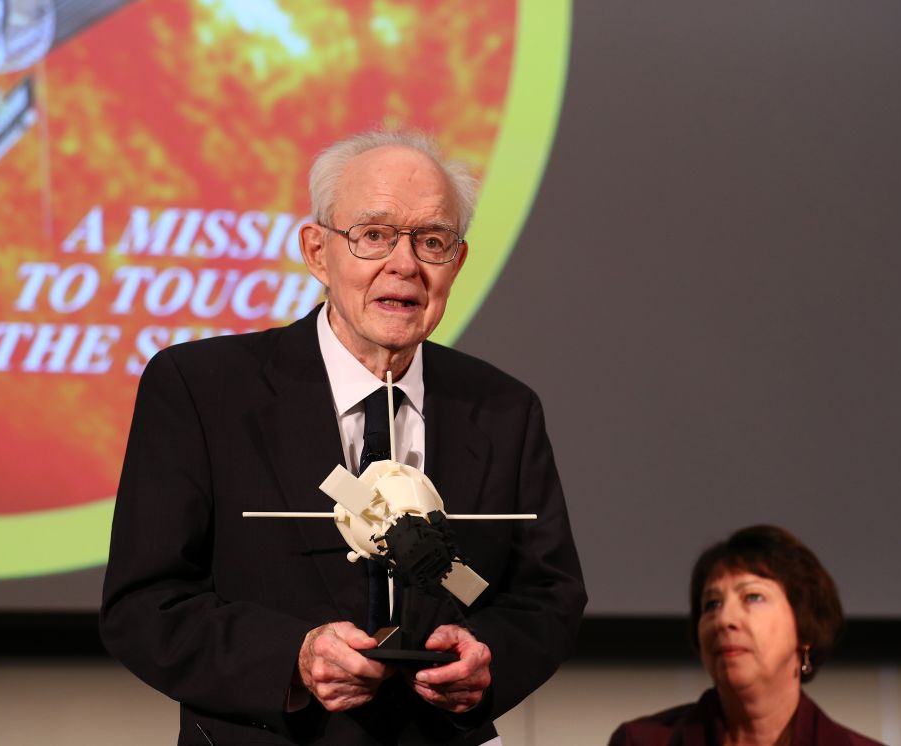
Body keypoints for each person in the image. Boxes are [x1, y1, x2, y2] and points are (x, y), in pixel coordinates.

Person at [100, 130, 587, 745]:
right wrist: (293, 659)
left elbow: (549, 595)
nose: (404, 264)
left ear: (457, 263)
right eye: (374, 235)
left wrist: (487, 659)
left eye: (432, 241)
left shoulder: (503, 409)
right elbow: (144, 605)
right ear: (316, 251)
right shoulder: (202, 389)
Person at [608, 525, 882, 746]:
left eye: (753, 597)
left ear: (805, 627)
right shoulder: (640, 742)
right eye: (711, 604)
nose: (724, 620)